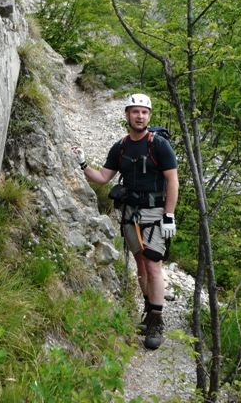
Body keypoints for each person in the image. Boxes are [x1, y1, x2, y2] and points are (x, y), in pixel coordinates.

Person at [71, 93, 179, 350]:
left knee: (153, 266)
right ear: (127, 115)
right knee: (141, 266)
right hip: (131, 213)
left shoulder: (159, 145)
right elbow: (103, 177)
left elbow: (173, 181)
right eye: (135, 112)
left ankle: (156, 321)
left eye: (144, 112)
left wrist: (169, 215)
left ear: (149, 116)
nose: (140, 116)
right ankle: (148, 311)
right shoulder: (120, 147)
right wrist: (83, 164)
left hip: (154, 212)